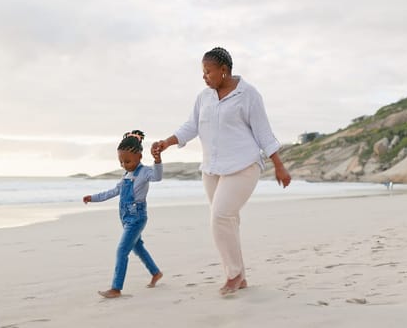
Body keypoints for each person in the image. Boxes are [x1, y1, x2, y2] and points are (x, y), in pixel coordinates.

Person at [153, 47, 291, 295]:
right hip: (212, 169)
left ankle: (234, 274)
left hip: (243, 166)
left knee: (220, 216)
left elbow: (263, 133)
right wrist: (167, 142)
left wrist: (279, 166)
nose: (204, 77)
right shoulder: (203, 97)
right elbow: (191, 126)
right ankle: (241, 276)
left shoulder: (248, 95)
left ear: (224, 71)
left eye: (208, 72)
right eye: (203, 72)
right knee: (229, 221)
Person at [83, 130, 164, 298]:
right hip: (125, 218)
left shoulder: (145, 172)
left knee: (121, 251)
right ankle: (156, 273)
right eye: (121, 162)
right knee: (138, 248)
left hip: (137, 218)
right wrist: (93, 198)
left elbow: (157, 177)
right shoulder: (126, 175)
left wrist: (157, 160)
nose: (124, 165)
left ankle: (116, 288)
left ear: (139, 157)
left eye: (127, 161)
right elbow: (113, 192)